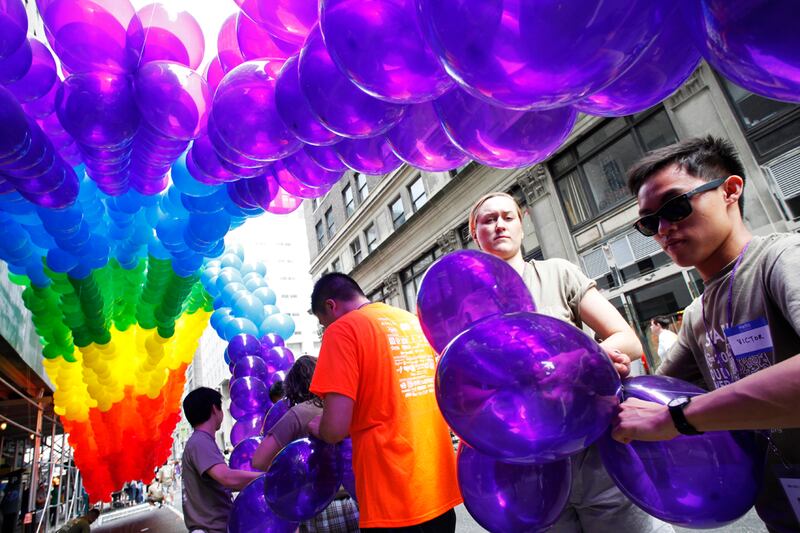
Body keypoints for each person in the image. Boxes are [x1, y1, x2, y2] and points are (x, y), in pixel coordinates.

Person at [612, 135, 800, 531]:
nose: (664, 229)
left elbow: (670, 413)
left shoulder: (783, 258)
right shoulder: (697, 314)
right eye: (649, 223)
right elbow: (655, 394)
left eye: (677, 207)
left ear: (730, 190)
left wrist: (678, 418)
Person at [468, 192, 672, 533]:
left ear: (522, 225)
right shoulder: (469, 305)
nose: (499, 225)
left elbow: (628, 341)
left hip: (596, 450)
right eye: (488, 220)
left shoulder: (558, 273)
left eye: (507, 216)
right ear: (475, 235)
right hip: (526, 467)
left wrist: (587, 359)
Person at [307, 273, 462, 532]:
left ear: (331, 306)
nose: (326, 329)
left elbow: (335, 428)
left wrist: (318, 427)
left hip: (391, 493)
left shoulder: (342, 330)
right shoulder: (413, 322)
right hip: (438, 485)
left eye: (324, 323)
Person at [253, 355, 359, 532]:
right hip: (356, 502)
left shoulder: (297, 414)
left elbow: (259, 460)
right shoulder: (346, 404)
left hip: (319, 509)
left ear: (292, 387)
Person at [181, 387, 262, 533]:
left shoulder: (200, 441)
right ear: (214, 409)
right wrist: (268, 477)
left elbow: (224, 484)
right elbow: (226, 477)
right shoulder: (200, 442)